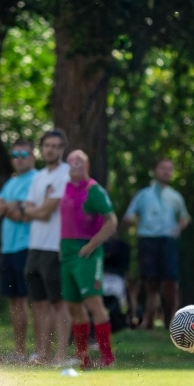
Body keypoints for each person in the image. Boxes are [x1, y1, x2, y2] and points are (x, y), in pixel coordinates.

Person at [60, 150, 118, 369]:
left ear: (87, 166)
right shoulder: (64, 189)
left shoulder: (94, 190)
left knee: (94, 303)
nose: (75, 168)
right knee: (73, 305)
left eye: (79, 164)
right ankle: (83, 357)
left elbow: (111, 221)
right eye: (71, 164)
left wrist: (92, 244)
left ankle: (107, 357)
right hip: (66, 253)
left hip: (87, 252)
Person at [22, 129, 72, 365]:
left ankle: (61, 354)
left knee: (58, 302)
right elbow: (28, 210)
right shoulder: (38, 177)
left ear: (62, 149)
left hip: (55, 246)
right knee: (38, 303)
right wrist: (35, 209)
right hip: (35, 245)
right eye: (48, 145)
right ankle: (42, 353)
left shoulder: (66, 174)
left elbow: (44, 211)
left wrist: (35, 209)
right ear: (42, 148)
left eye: (56, 146)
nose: (51, 149)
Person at [123, 159, 190, 329]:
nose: (166, 172)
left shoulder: (175, 196)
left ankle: (172, 320)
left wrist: (179, 228)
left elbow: (184, 218)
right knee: (151, 282)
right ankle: (149, 319)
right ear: (155, 170)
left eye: (169, 169)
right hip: (147, 239)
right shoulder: (143, 195)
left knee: (171, 281)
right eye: (163, 168)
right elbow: (129, 215)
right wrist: (132, 222)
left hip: (168, 240)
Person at [0, 138, 37, 361]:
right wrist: (13, 206)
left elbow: (23, 213)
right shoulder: (11, 182)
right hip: (9, 248)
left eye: (24, 155)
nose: (19, 159)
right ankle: (20, 351)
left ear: (33, 157)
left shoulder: (36, 180)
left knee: (33, 300)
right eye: (15, 155)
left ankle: (39, 350)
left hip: (28, 246)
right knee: (15, 300)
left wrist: (10, 207)